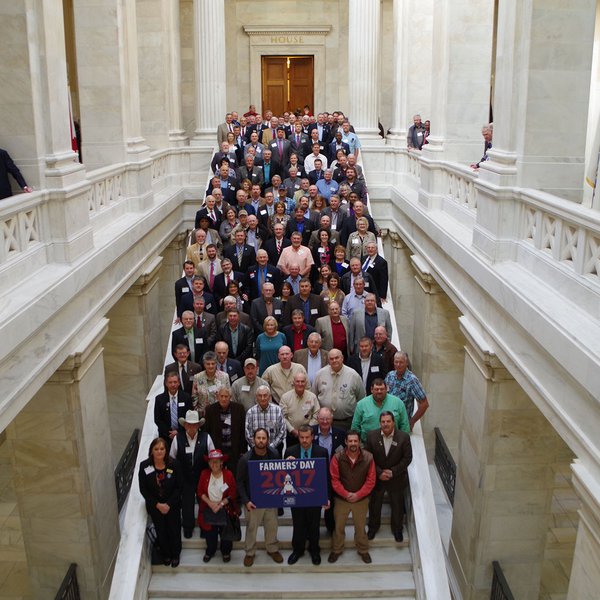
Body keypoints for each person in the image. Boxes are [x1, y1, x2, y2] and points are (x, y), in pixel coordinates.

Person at [237, 428, 283, 567]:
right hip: (253, 501)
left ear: (268, 440)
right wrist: (246, 501)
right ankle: (250, 552)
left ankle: (272, 548)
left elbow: (280, 474)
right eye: (258, 438)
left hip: (270, 499)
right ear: (253, 440)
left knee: (272, 526)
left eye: (263, 438)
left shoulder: (274, 454)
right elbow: (239, 482)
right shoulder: (245, 459)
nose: (261, 441)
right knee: (252, 528)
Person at [328, 430, 375, 564]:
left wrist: (358, 495)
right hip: (342, 499)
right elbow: (334, 480)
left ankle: (363, 550)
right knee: (338, 527)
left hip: (361, 500)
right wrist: (346, 494)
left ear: (359, 442)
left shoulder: (369, 457)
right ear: (346, 442)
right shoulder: (337, 457)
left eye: (355, 441)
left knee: (360, 528)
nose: (353, 443)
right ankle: (336, 550)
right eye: (350, 441)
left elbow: (371, 481)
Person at [364, 412, 412, 542]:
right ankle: (373, 528)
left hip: (396, 479)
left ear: (393, 422)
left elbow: (407, 458)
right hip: (377, 479)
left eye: (388, 421)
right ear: (380, 423)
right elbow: (367, 457)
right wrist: (379, 472)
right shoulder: (371, 436)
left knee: (397, 506)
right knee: (374, 505)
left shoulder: (404, 437)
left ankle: (397, 530)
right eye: (383, 422)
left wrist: (392, 472)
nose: (385, 424)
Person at [285, 425, 330, 565]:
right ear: (298, 437)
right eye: (301, 437)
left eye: (307, 437)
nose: (304, 440)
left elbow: (326, 476)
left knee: (314, 524)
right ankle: (297, 550)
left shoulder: (321, 452)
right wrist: (287, 465)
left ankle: (314, 550)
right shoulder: (290, 451)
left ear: (312, 437)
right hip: (296, 495)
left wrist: (326, 497)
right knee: (298, 523)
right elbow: (284, 477)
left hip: (315, 495)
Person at [138, 438, 183, 567]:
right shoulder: (144, 466)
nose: (159, 452)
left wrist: (168, 504)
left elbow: (179, 487)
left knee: (174, 530)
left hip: (172, 506)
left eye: (162, 449)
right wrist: (157, 505)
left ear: (166, 450)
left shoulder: (174, 465)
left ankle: (175, 554)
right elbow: (143, 490)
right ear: (151, 451)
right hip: (155, 507)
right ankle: (166, 554)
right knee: (161, 530)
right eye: (156, 449)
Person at [169, 410, 214, 538]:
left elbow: (212, 457)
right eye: (189, 424)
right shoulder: (178, 439)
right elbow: (172, 459)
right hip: (185, 478)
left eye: (195, 424)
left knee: (204, 503)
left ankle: (205, 528)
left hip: (202, 478)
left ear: (199, 426)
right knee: (187, 504)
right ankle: (188, 527)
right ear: (185, 425)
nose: (192, 427)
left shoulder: (206, 437)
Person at [197, 449, 239, 562]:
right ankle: (210, 551)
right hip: (208, 508)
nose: (214, 464)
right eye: (212, 461)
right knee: (210, 534)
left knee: (226, 534)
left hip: (224, 508)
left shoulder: (228, 474)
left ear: (222, 462)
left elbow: (233, 493)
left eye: (217, 461)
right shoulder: (204, 474)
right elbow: (200, 492)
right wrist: (211, 504)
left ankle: (226, 551)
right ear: (209, 463)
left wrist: (220, 504)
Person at [312, 349, 365, 430]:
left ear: (342, 358)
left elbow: (361, 399)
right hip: (324, 422)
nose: (334, 360)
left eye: (337, 358)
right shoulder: (320, 374)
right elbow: (313, 397)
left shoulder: (353, 375)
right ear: (328, 360)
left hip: (346, 422)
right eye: (331, 359)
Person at [204, 387, 247, 475]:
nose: (224, 399)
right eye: (221, 396)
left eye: (226, 396)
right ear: (217, 397)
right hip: (217, 450)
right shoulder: (210, 410)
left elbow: (243, 431)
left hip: (234, 450)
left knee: (234, 475)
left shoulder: (239, 409)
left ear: (230, 397)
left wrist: (242, 450)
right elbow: (206, 431)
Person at [384, 352, 429, 430]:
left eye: (401, 362)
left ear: (406, 363)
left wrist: (413, 421)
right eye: (396, 362)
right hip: (386, 422)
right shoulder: (390, 376)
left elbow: (424, 404)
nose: (398, 365)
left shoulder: (412, 380)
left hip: (402, 425)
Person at [154, 371, 193, 448]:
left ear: (178, 383)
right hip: (165, 437)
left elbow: (189, 417)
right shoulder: (159, 399)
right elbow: (158, 419)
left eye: (175, 382)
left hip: (183, 435)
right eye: (170, 382)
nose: (173, 385)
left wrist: (178, 432)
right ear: (166, 383)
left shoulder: (186, 397)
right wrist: (170, 433)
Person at [279, 372, 320, 444]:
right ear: (293, 383)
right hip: (292, 435)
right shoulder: (285, 397)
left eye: (302, 381)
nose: (300, 384)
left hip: (308, 435)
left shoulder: (312, 397)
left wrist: (308, 429)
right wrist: (292, 430)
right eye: (297, 381)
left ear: (306, 383)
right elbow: (282, 417)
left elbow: (316, 414)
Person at [244, 385, 286, 451]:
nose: (262, 398)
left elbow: (282, 431)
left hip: (275, 449)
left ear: (269, 397)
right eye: (260, 396)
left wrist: (271, 447)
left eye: (265, 395)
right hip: (256, 451)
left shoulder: (277, 410)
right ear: (256, 397)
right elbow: (248, 434)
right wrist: (257, 447)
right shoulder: (250, 412)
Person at [191, 350, 231, 415]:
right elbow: (194, 398)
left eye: (213, 363)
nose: (210, 366)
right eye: (208, 364)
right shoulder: (197, 377)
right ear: (204, 364)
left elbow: (229, 395)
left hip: (220, 413)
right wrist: (198, 412)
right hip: (203, 414)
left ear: (216, 363)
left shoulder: (224, 376)